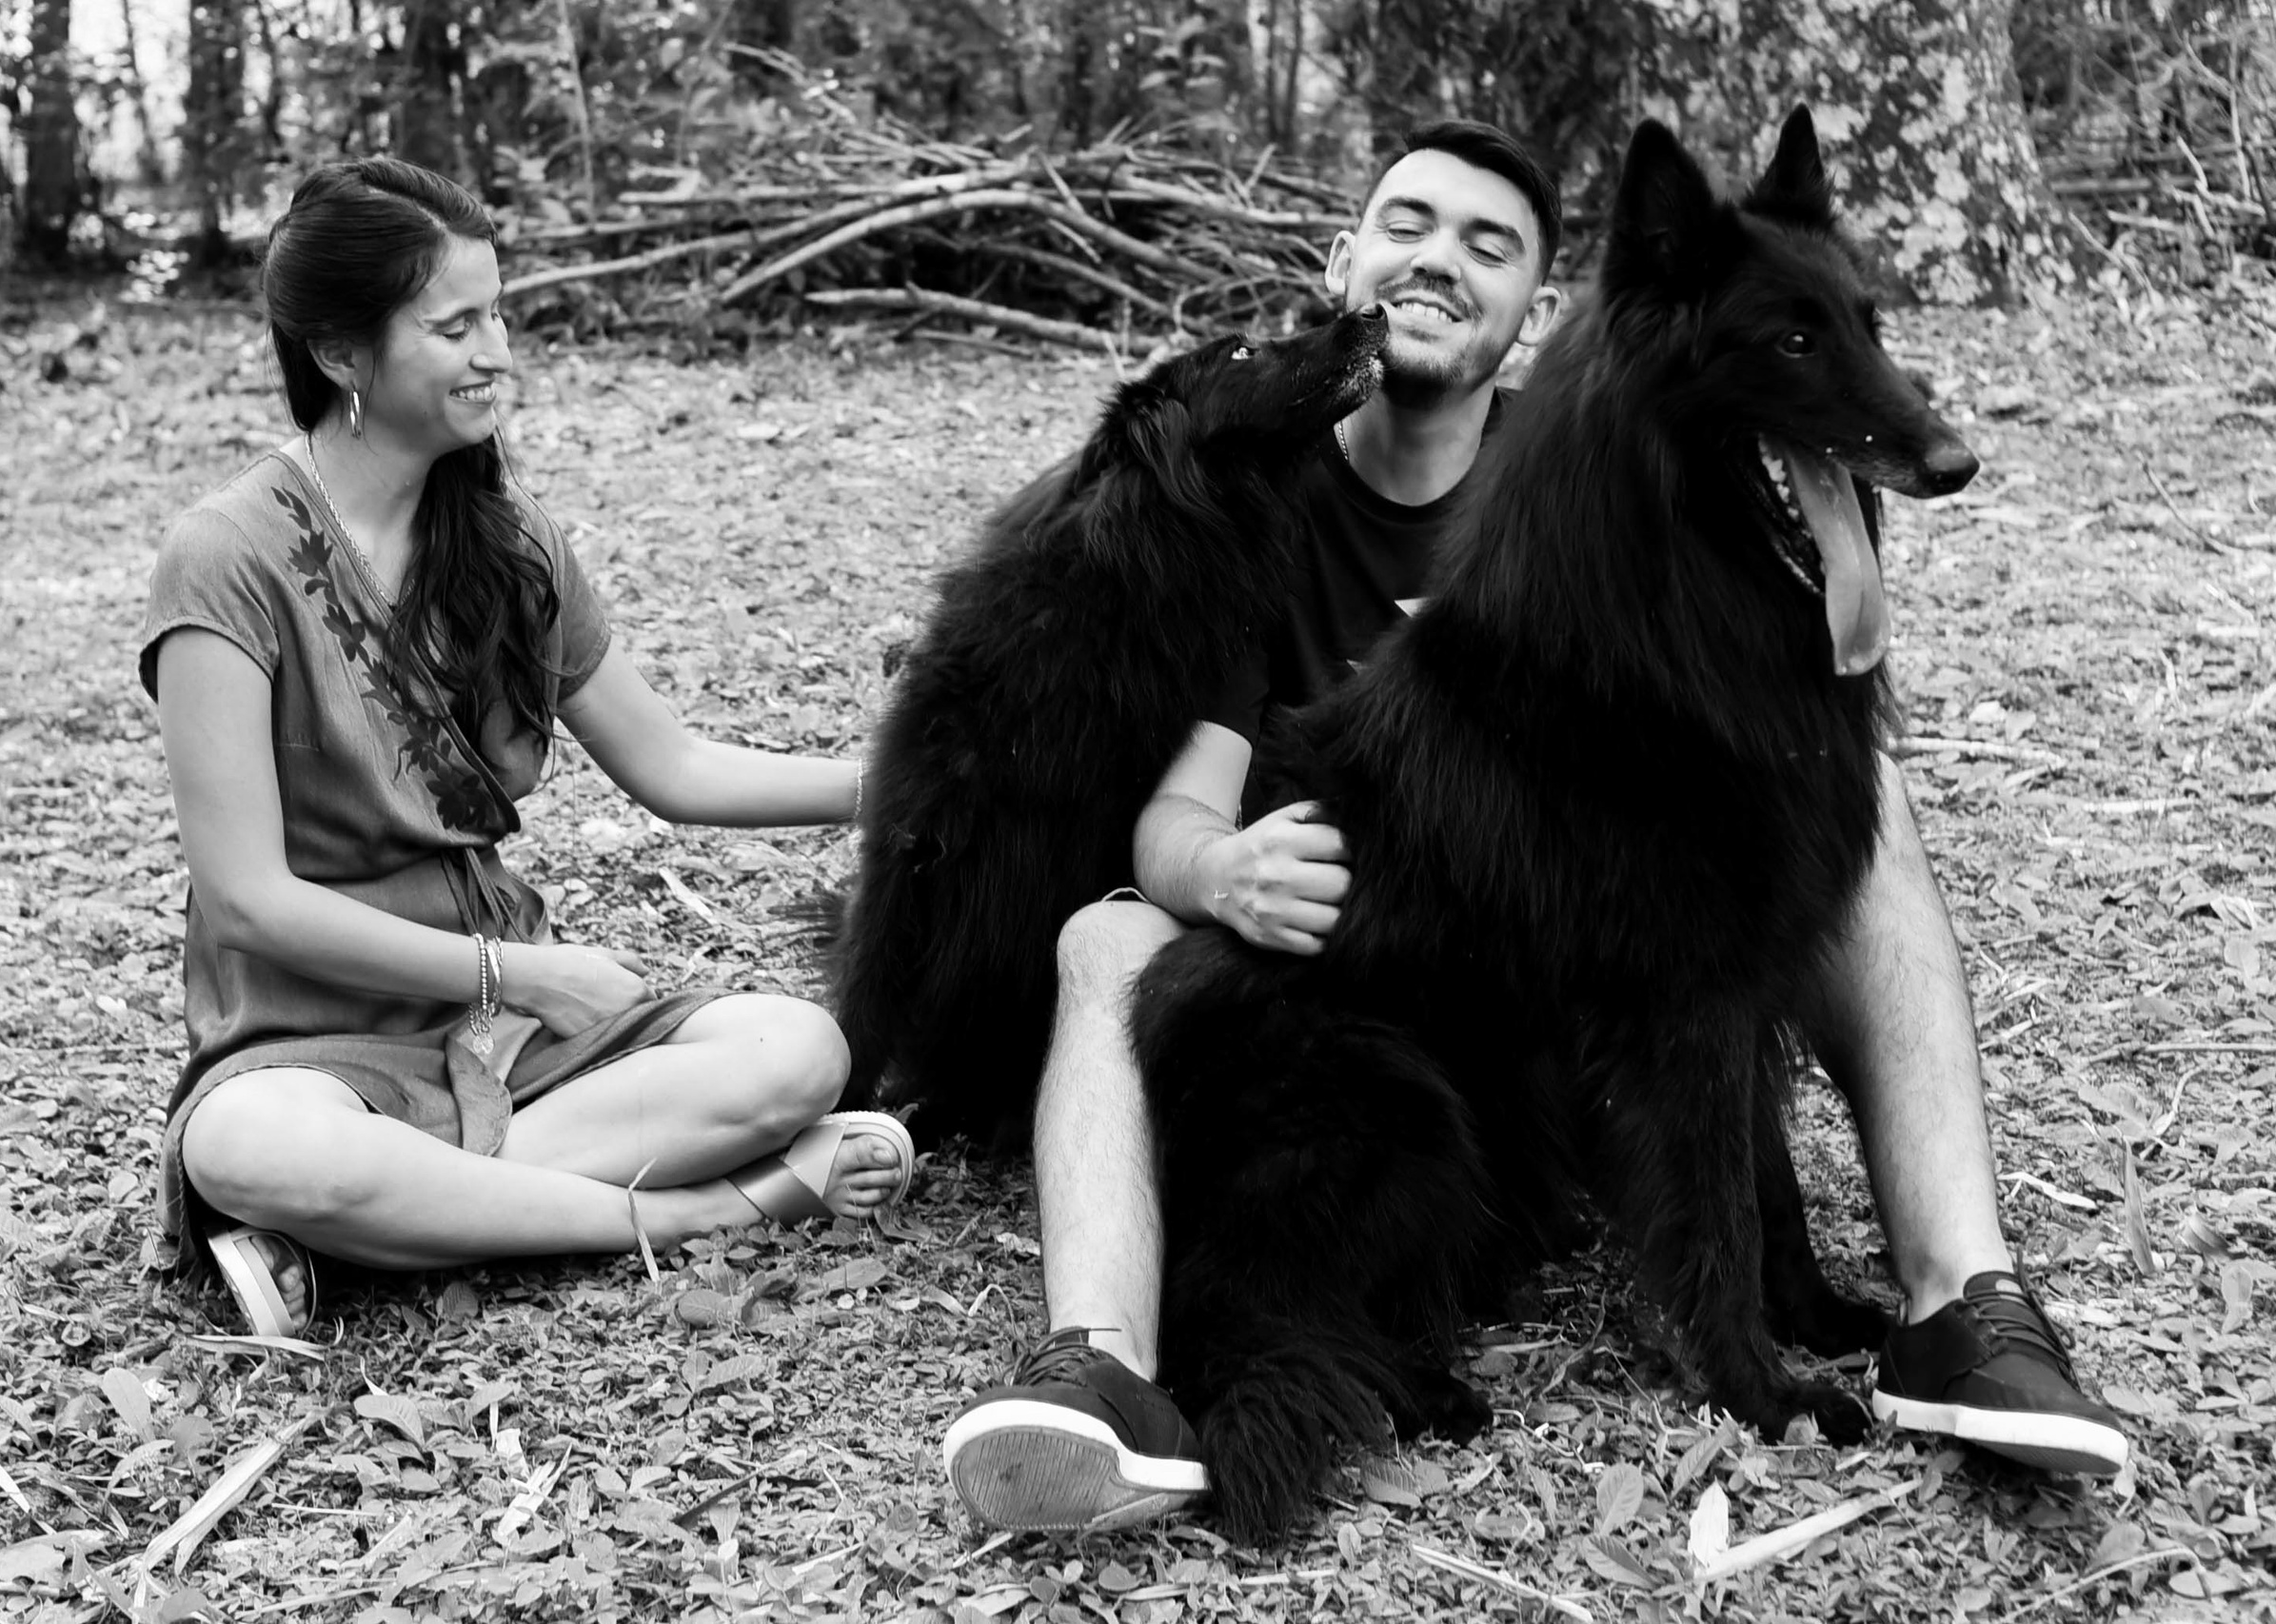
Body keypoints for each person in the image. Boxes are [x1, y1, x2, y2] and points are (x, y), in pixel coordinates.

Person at [940, 121, 2128, 1534]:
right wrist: (1226, 870)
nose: (1441, 258)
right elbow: (1175, 814)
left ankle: (1966, 1297)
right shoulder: (1249, 483)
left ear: (1549, 312)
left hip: (1541, 994)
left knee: (1859, 817)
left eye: (1489, 243)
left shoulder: (1602, 458)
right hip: (1335, 944)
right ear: (1343, 260)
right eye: (1408, 223)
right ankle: (1104, 1369)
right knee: (1109, 931)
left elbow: (1697, 950)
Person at [141, 157, 913, 1339]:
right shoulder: (226, 557)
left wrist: (902, 784)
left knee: (797, 1049)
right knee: (254, 1141)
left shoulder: (511, 545)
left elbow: (679, 769)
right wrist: (526, 972)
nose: (497, 349)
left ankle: (368, 1222)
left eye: (498, 312)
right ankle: (713, 1206)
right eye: (454, 325)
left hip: (510, 1045)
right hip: (313, 1040)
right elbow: (247, 900)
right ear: (342, 356)